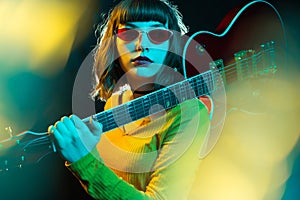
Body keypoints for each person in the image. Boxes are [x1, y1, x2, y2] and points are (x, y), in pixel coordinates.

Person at [48, 0, 211, 199]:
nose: (142, 45)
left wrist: (84, 161)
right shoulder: (116, 102)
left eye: (158, 34)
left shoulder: (189, 113)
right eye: (128, 33)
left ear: (173, 45)